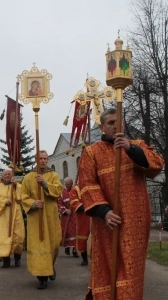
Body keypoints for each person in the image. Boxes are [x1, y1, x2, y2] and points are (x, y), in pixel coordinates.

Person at [78, 108, 164, 299]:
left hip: (134, 221)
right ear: (102, 127)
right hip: (106, 222)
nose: (115, 126)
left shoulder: (136, 145)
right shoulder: (91, 153)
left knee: (131, 268)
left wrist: (130, 149)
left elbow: (157, 164)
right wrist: (105, 211)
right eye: (110, 123)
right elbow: (87, 185)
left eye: (119, 122)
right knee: (107, 266)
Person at [21, 150, 63, 290]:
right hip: (36, 218)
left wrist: (45, 184)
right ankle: (42, 278)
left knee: (54, 244)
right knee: (40, 246)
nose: (43, 161)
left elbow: (58, 191)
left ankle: (50, 266)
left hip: (50, 216)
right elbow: (23, 196)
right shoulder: (28, 178)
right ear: (36, 160)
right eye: (40, 158)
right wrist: (32, 203)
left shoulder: (54, 175)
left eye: (45, 158)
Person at [0, 169, 25, 268]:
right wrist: (5, 201)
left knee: (18, 236)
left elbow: (20, 198)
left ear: (12, 175)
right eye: (5, 174)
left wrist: (15, 186)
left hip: (15, 214)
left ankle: (17, 258)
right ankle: (6, 260)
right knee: (4, 237)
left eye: (9, 174)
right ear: (2, 176)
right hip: (3, 216)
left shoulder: (17, 186)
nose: (7, 176)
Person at [69, 183, 91, 266]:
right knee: (83, 238)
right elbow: (74, 202)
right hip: (83, 218)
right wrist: (88, 207)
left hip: (96, 216)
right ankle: (84, 258)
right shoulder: (76, 189)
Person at [58, 177, 78, 257]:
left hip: (74, 215)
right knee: (68, 232)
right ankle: (67, 247)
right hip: (66, 216)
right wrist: (65, 210)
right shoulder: (62, 192)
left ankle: (75, 250)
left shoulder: (75, 191)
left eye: (68, 184)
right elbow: (59, 203)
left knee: (75, 232)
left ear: (71, 184)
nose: (67, 185)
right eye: (66, 184)